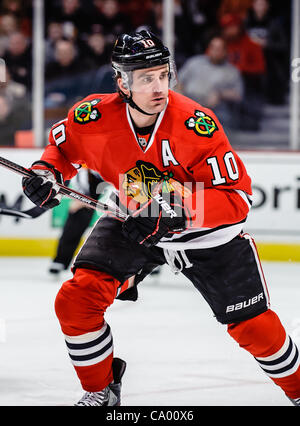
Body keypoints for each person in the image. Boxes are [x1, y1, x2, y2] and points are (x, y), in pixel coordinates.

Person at [22, 30, 300, 406]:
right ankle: (101, 389)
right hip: (134, 218)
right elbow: (62, 150)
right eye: (146, 78)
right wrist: (47, 174)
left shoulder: (195, 124)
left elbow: (236, 200)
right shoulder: (92, 116)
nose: (159, 86)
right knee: (76, 300)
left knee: (254, 328)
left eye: (163, 74)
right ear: (122, 82)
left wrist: (178, 212)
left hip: (205, 236)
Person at [178, 36, 244, 130]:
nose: (214, 51)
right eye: (212, 47)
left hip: (214, 110)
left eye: (218, 49)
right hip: (188, 105)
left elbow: (238, 95)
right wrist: (181, 99)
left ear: (225, 52)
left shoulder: (231, 71)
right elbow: (178, 81)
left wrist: (220, 94)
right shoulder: (195, 62)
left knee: (220, 120)